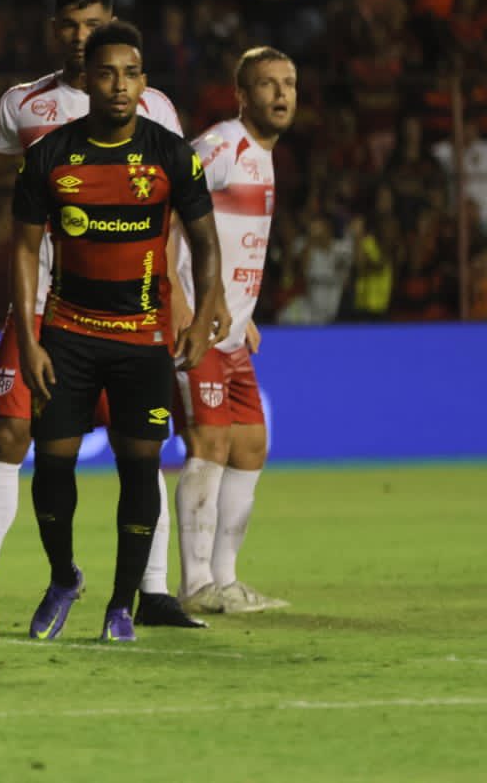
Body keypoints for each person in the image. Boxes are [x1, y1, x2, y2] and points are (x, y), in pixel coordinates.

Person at [0, 0, 201, 631]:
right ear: (54, 30)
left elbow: (174, 207)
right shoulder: (25, 105)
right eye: (69, 25)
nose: (81, 35)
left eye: (93, 23)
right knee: (9, 433)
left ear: (112, 24)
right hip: (44, 301)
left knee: (138, 443)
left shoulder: (158, 110)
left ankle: (153, 591)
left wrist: (183, 296)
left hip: (136, 300)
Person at [11, 21, 228, 643]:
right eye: (105, 73)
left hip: (142, 339)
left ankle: (122, 604)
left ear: (144, 82)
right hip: (67, 335)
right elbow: (24, 251)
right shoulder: (49, 156)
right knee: (51, 467)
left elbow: (205, 241)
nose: (118, 85)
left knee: (140, 469)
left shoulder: (170, 154)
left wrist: (207, 304)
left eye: (130, 74)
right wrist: (28, 338)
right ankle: (62, 577)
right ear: (85, 81)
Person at [172, 47, 297, 615]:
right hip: (194, 326)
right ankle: (195, 583)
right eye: (268, 84)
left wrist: (241, 317)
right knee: (210, 445)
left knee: (250, 445)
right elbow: (168, 210)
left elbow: (229, 242)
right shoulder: (221, 146)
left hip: (230, 331)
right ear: (242, 96)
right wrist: (179, 302)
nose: (281, 94)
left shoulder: (265, 158)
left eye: (289, 83)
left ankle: (225, 579)